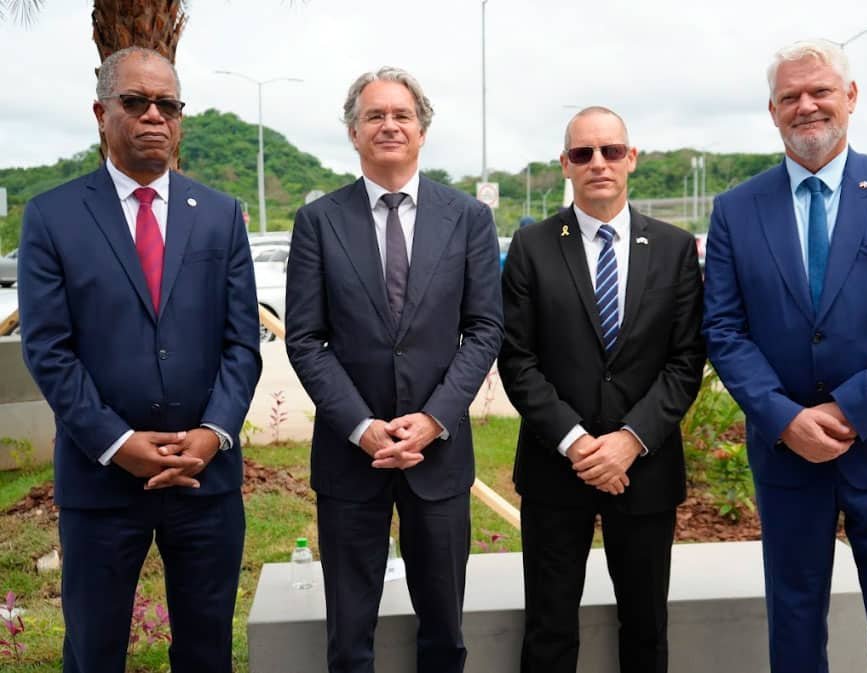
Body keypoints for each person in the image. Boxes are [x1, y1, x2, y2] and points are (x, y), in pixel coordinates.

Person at [703, 39, 867, 673]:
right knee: (793, 627)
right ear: (772, 110)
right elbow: (725, 330)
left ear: (851, 98)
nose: (806, 105)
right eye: (790, 96)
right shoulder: (737, 209)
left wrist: (849, 410)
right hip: (788, 455)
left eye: (820, 91)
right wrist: (786, 419)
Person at [17, 47, 262, 673]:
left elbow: (242, 344)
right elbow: (48, 349)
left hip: (204, 481)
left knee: (207, 650)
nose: (154, 115)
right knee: (94, 650)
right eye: (136, 102)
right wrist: (117, 441)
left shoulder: (221, 214)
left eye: (169, 104)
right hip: (101, 482)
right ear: (102, 113)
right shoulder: (52, 216)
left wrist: (212, 435)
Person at [284, 66, 503, 673]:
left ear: (422, 130)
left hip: (439, 456)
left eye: (401, 115)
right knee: (350, 637)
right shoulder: (318, 222)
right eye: (374, 115)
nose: (389, 125)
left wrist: (434, 419)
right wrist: (361, 426)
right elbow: (305, 339)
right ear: (353, 133)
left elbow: (485, 328)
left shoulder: (468, 219)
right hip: (351, 457)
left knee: (444, 633)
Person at [499, 106, 706, 673]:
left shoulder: (673, 247)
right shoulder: (532, 247)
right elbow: (517, 359)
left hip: (645, 467)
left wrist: (629, 441)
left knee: (645, 627)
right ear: (565, 164)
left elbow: (687, 360)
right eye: (583, 153)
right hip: (554, 466)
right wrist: (576, 441)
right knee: (549, 626)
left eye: (611, 151)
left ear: (630, 158)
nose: (598, 164)